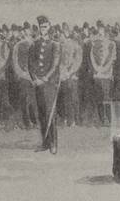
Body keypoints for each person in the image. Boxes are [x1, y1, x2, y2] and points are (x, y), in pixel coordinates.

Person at [29, 15, 61, 152]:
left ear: (50, 27)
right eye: (41, 27)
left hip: (49, 84)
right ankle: (45, 143)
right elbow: (30, 63)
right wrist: (35, 78)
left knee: (50, 113)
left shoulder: (55, 44)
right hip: (38, 83)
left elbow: (55, 65)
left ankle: (53, 143)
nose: (43, 29)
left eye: (46, 26)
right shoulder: (34, 44)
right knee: (41, 113)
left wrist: (45, 78)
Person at [11, 24, 38, 129]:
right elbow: (15, 61)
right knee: (24, 100)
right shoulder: (18, 45)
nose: (26, 33)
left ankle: (35, 121)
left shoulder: (35, 44)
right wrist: (22, 74)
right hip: (23, 77)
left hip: (33, 76)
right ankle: (26, 122)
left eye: (28, 31)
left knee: (34, 100)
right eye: (25, 31)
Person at [90, 23, 116, 126]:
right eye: (99, 32)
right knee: (99, 97)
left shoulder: (111, 44)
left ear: (106, 33)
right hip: (97, 74)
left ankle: (109, 119)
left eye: (102, 32)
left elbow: (112, 59)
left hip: (106, 74)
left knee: (106, 97)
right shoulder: (94, 44)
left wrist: (104, 69)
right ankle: (101, 119)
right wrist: (97, 69)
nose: (101, 34)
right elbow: (92, 57)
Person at [58, 27, 84, 127]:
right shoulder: (61, 47)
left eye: (61, 36)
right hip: (64, 77)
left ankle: (76, 120)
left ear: (66, 35)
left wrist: (70, 72)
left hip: (73, 77)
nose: (60, 38)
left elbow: (78, 62)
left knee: (74, 99)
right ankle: (68, 119)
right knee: (66, 99)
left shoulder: (76, 46)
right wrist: (62, 73)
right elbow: (60, 62)